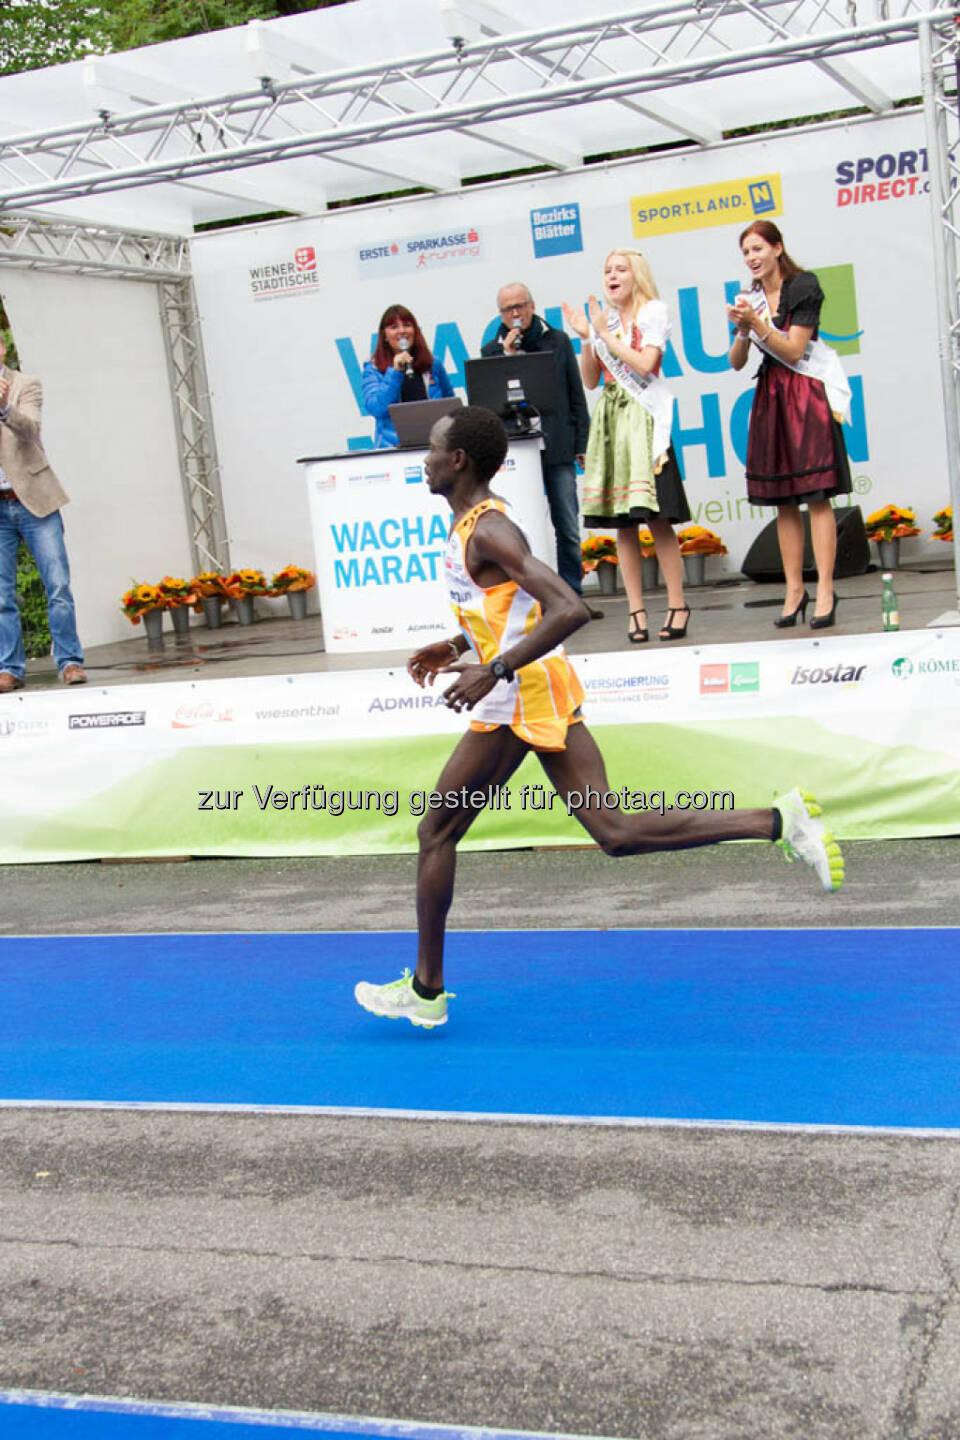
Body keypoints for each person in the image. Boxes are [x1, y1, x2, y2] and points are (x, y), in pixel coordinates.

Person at [354, 406, 844, 1029]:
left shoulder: (491, 530)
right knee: (614, 834)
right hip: (527, 689)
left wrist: (494, 670)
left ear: (458, 461)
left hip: (522, 694)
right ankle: (779, 820)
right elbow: (508, 613)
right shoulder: (470, 529)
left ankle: (426, 994)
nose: (422, 459)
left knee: (438, 832)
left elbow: (569, 608)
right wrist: (456, 649)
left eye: (432, 449)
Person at [727, 221, 853, 630]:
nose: (752, 257)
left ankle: (827, 590)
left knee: (816, 497)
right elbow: (735, 361)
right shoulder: (751, 299)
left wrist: (759, 324)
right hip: (770, 396)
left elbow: (796, 351)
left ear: (777, 248)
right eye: (746, 252)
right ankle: (794, 589)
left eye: (758, 248)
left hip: (804, 396)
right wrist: (744, 330)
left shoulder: (803, 286)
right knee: (783, 500)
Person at [563, 250, 691, 646]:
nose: (612, 276)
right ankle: (635, 608)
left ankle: (677, 604)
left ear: (637, 276)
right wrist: (586, 338)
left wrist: (603, 334)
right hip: (612, 419)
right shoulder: (606, 321)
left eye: (620, 270)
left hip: (644, 419)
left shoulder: (653, 311)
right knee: (623, 523)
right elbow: (589, 379)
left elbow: (645, 365)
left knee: (658, 517)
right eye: (607, 270)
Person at [481, 282, 600, 617]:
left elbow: (575, 393)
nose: (516, 314)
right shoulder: (492, 350)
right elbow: (489, 402)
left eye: (521, 306)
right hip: (517, 454)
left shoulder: (557, 340)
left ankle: (573, 596)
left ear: (533, 306)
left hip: (558, 444)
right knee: (522, 527)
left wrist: (581, 442)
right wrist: (508, 357)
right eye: (508, 309)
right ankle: (533, 602)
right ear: (500, 314)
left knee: (567, 523)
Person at [0, 336, 86, 692]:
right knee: (1, 595)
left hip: (33, 499)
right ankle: (9, 668)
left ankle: (69, 662)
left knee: (58, 586)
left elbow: (31, 429)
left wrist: (5, 407)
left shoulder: (25, 384)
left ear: (1, 348)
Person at [361, 304, 454, 449]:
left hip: (435, 446)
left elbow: (450, 404)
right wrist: (395, 372)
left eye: (407, 325)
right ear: (384, 335)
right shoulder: (373, 368)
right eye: (394, 327)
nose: (402, 331)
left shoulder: (432, 363)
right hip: (392, 448)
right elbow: (376, 408)